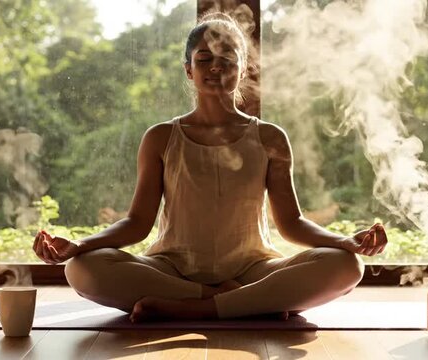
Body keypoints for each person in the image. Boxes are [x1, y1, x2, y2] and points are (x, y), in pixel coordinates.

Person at [32, 12, 388, 323]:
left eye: (227, 58)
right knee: (81, 269)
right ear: (189, 69)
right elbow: (137, 224)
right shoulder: (160, 137)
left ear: (243, 68)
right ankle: (236, 303)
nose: (216, 66)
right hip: (170, 270)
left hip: (253, 269)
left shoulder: (269, 137)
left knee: (345, 266)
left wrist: (344, 242)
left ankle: (195, 308)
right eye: (204, 59)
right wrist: (78, 245)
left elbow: (291, 223)